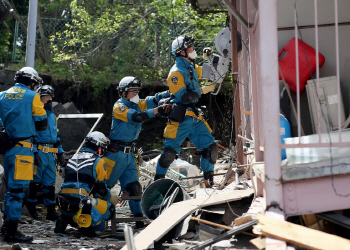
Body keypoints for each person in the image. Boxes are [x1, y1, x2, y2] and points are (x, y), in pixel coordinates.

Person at [103, 76, 170, 228]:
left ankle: (139, 220)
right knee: (104, 186)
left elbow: (153, 99)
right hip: (116, 153)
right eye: (133, 91)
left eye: (137, 91)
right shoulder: (119, 107)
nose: (136, 94)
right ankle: (100, 215)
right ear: (124, 92)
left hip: (129, 154)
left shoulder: (137, 103)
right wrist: (158, 110)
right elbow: (137, 118)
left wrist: (170, 94)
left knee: (134, 187)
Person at [154, 35, 218, 187]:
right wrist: (203, 90)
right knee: (169, 154)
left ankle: (209, 183)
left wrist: (208, 60)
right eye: (190, 48)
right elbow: (184, 97)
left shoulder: (192, 68)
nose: (192, 50)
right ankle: (157, 184)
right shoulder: (175, 73)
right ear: (181, 52)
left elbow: (210, 73)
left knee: (210, 148)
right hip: (180, 117)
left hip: (195, 117)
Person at [0, 66, 48, 242]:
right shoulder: (32, 96)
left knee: (10, 190)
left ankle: (6, 227)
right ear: (32, 82)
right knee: (18, 191)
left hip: (8, 150)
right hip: (23, 150)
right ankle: (12, 232)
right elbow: (42, 123)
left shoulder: (2, 95)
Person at [54, 131, 116, 236]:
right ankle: (86, 225)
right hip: (81, 202)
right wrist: (109, 196)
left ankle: (65, 219)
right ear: (99, 146)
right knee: (109, 210)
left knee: (82, 199)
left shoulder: (72, 158)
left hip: (63, 201)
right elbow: (101, 188)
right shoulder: (98, 161)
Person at [25, 85, 65, 221]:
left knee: (49, 183)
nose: (48, 100)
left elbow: (56, 136)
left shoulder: (53, 116)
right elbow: (31, 135)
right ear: (39, 98)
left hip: (50, 154)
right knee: (35, 183)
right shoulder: (34, 114)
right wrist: (35, 153)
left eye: (50, 97)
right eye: (45, 97)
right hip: (39, 151)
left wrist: (60, 154)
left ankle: (51, 211)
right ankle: (31, 208)